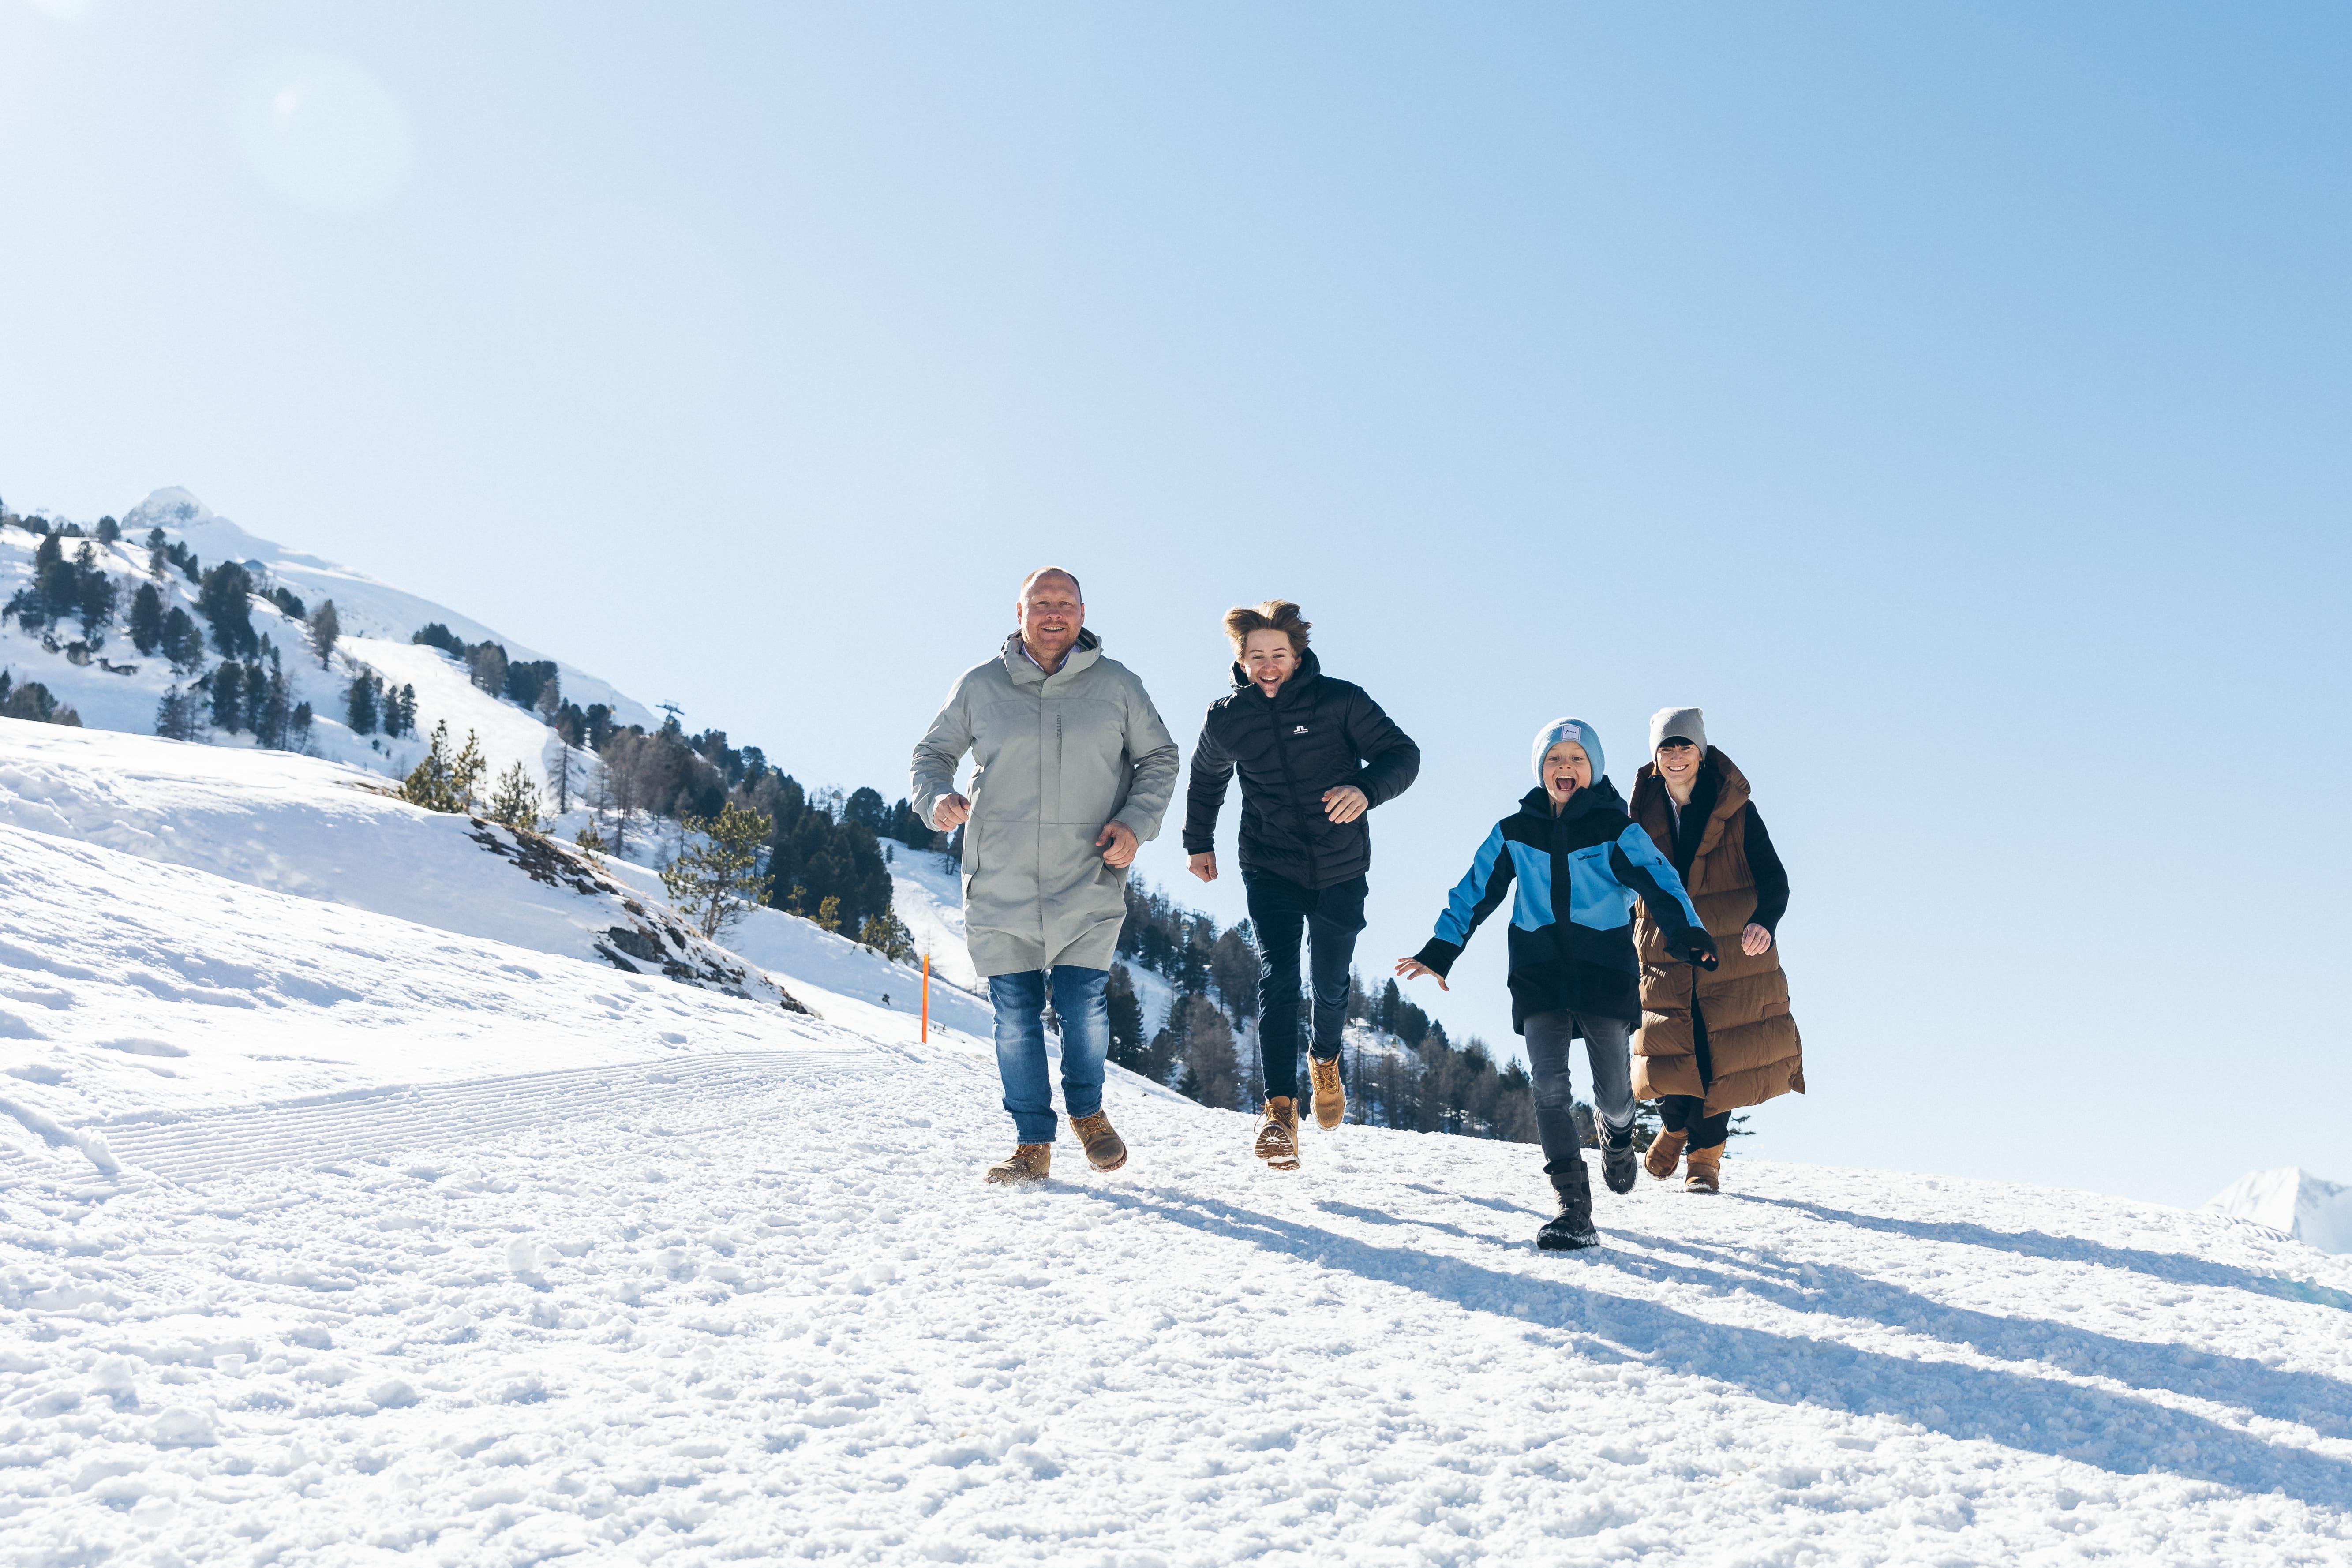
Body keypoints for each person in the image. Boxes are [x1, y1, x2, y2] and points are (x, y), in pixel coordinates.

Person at [1397, 718, 1716, 1250]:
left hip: (1604, 971)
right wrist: (1440, 951)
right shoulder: (1515, 832)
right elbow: (1474, 892)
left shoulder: (1617, 830)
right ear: (1540, 769)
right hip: (1538, 972)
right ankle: (1573, 1209)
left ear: (1593, 770)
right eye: (1553, 759)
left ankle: (1616, 1134)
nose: (1564, 767)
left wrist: (1690, 934)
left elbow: (1661, 883)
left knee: (1616, 1094)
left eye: (1576, 758)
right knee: (1548, 1086)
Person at [910, 567, 1181, 1185]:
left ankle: (1087, 1109)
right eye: (1042, 603)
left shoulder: (1117, 685)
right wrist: (936, 799)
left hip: (1087, 869)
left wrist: (1136, 823)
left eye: (1065, 604)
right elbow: (931, 754)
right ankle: (1032, 1141)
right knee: (1015, 1013)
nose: (1053, 614)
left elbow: (1160, 756)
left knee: (1083, 1004)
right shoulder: (981, 685)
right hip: (1000, 873)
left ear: (1082, 614)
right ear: (1020, 611)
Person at [1182, 601, 1419, 1168]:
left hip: (1340, 864)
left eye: (1279, 655)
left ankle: (1326, 1060)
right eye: (1256, 656)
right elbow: (1206, 779)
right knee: (1278, 975)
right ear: (1240, 660)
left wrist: (1365, 790)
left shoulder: (1340, 700)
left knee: (1331, 982)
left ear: (1298, 655)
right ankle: (1279, 1112)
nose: (1268, 666)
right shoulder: (1226, 718)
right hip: (1269, 863)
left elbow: (1402, 754)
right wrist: (1198, 842)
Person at [1628, 707, 1801, 1194]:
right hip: (1662, 949)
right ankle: (1675, 1126)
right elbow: (1625, 880)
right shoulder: (1638, 814)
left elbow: (1775, 880)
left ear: (1701, 753)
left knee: (1717, 1053)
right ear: (1655, 757)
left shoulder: (1736, 811)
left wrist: (1763, 923)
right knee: (1668, 1049)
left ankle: (1705, 1158)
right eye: (1666, 747)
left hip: (1731, 950)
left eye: (1685, 745)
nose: (1676, 755)